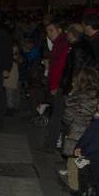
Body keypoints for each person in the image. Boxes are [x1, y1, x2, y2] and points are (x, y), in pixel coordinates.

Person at [62, 68, 99, 195]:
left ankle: (75, 187)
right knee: (89, 160)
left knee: (73, 159)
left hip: (76, 133)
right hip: (94, 133)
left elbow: (68, 117)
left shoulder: (76, 96)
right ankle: (89, 187)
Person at [43, 20, 70, 150]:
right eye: (47, 31)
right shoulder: (59, 43)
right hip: (60, 84)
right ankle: (53, 142)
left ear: (59, 30)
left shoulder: (61, 43)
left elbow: (58, 68)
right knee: (57, 114)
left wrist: (53, 85)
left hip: (60, 85)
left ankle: (51, 144)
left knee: (57, 115)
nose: (48, 34)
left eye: (51, 30)